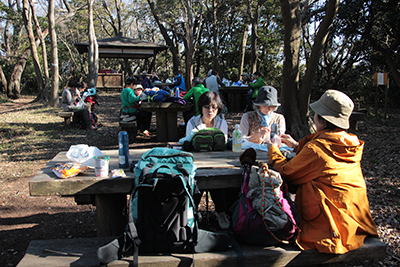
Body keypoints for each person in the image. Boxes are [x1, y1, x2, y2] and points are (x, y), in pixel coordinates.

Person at [267, 89, 378, 254]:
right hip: (357, 221)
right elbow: (326, 163)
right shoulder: (350, 145)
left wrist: (274, 149)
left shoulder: (316, 149)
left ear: (323, 121)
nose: (313, 118)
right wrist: (298, 146)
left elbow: (287, 172)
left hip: (331, 228)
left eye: (316, 115)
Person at [186, 91, 236, 230]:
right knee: (197, 180)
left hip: (218, 162)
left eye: (214, 107)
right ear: (201, 107)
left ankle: (221, 212)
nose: (210, 110)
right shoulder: (192, 122)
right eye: (207, 107)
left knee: (217, 178)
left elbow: (224, 144)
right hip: (197, 162)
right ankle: (192, 212)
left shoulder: (222, 123)